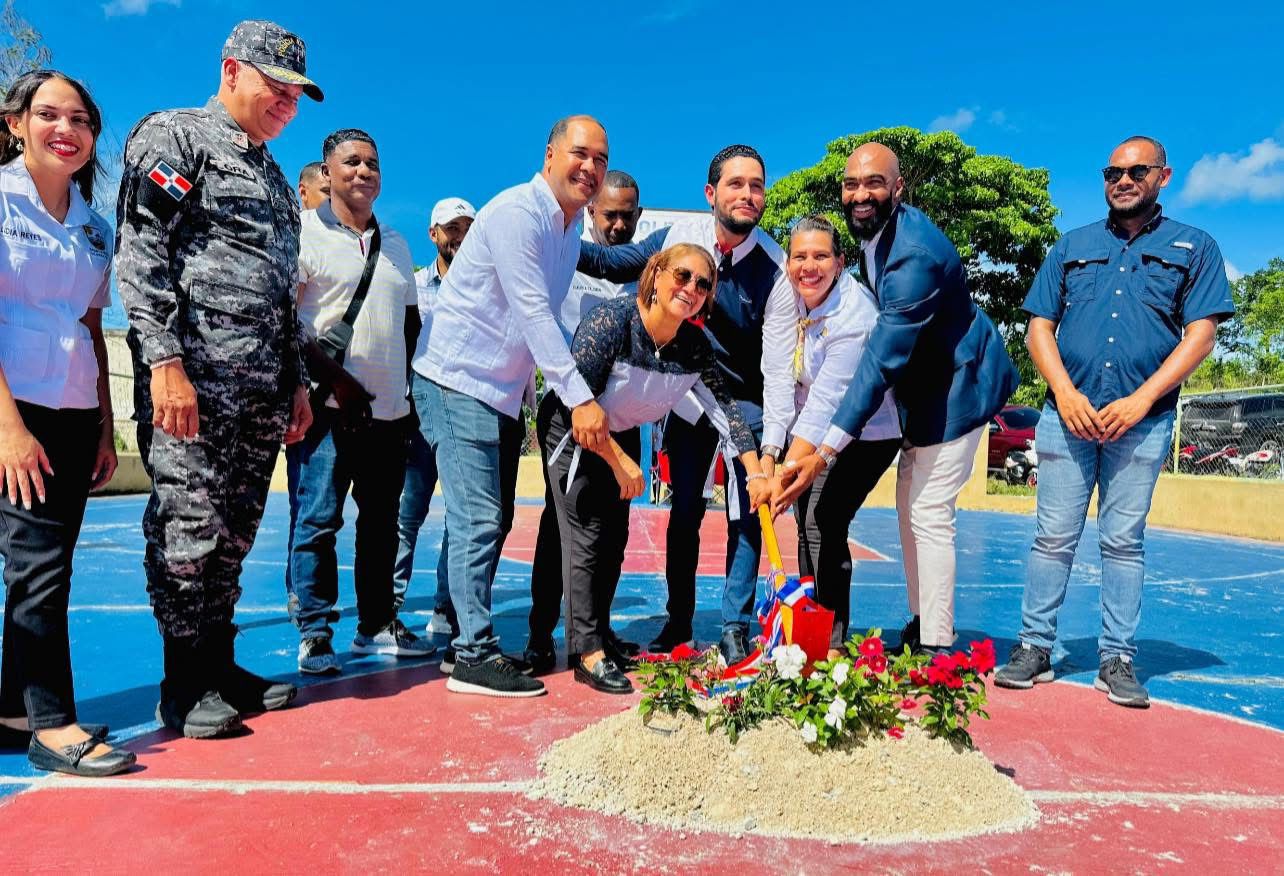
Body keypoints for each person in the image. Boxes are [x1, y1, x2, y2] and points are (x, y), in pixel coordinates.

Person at [115, 19, 320, 739]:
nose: (288, 104)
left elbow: (280, 289)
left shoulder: (274, 179)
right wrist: (164, 363)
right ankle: (184, 682)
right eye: (278, 87)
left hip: (261, 390)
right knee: (188, 529)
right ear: (232, 70)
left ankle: (220, 665)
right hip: (193, 384)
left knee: (234, 534)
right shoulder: (177, 139)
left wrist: (295, 383)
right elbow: (142, 253)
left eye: (298, 95)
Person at [995, 136, 1233, 708]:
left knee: (1123, 542)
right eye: (1111, 172)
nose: (1122, 180)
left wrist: (1140, 399)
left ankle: (1117, 657)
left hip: (1143, 422)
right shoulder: (1072, 246)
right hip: (1065, 417)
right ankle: (1035, 647)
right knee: (1052, 538)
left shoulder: (1193, 247)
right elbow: (1039, 327)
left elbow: (1201, 333)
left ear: (1163, 176)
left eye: (1135, 171)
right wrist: (1065, 393)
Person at [776, 143, 1018, 655]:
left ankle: (935, 643)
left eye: (875, 184)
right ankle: (921, 619)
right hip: (922, 392)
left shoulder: (913, 257)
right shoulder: (875, 237)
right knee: (911, 506)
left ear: (899, 189)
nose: (861, 195)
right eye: (852, 184)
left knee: (928, 510)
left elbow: (878, 362)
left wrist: (823, 452)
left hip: (960, 388)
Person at [416, 115, 611, 697]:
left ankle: (457, 638)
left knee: (488, 521)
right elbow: (533, 314)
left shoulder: (570, 230)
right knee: (480, 519)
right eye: (580, 153)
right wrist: (579, 398)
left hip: (499, 394)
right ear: (550, 154)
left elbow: (544, 322)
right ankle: (473, 654)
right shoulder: (515, 214)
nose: (591, 167)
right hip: (457, 380)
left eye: (601, 158)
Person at [576, 145, 792, 664]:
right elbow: (609, 262)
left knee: (746, 513)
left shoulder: (777, 269)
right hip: (686, 398)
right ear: (711, 193)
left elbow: (780, 370)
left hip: (743, 401)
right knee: (685, 514)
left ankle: (736, 625)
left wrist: (769, 446)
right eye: (736, 183)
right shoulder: (680, 242)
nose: (747, 194)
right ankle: (679, 621)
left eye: (756, 185)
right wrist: (547, 231)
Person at [548, 244, 768, 693]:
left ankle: (601, 633)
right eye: (682, 276)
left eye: (703, 284)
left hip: (619, 428)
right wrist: (621, 461)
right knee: (587, 535)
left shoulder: (694, 348)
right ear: (656, 273)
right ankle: (586, 652)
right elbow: (581, 409)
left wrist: (756, 471)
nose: (691, 288)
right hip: (574, 425)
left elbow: (727, 414)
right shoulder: (611, 322)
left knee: (614, 541)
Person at [0, 70, 135, 776]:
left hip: (76, 411)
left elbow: (89, 320)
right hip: (13, 413)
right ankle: (52, 726)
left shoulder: (92, 224)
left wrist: (106, 424)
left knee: (41, 570)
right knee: (38, 570)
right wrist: (9, 430)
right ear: (16, 122)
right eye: (49, 114)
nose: (67, 130)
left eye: (81, 119)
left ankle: (12, 708)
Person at [288, 128, 435, 674]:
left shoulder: (396, 244)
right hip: (328, 414)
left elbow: (411, 321)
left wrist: (401, 390)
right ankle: (316, 633)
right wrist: (338, 384)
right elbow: (286, 325)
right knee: (318, 521)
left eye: (372, 163)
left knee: (380, 525)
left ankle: (373, 627)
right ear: (326, 174)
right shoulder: (302, 235)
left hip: (388, 417)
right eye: (351, 162)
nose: (363, 171)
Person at [763, 216, 901, 656]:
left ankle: (832, 640)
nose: (809, 266)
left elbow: (826, 400)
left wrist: (785, 470)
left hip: (869, 430)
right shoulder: (791, 296)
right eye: (799, 256)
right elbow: (780, 375)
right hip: (813, 428)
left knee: (823, 516)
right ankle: (809, 622)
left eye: (821, 256)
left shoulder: (854, 315)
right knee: (807, 521)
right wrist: (772, 454)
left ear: (840, 262)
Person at [525, 169, 644, 674]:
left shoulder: (648, 274)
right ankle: (540, 635)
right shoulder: (566, 263)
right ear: (592, 212)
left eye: (626, 216)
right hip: (571, 414)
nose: (617, 224)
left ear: (638, 217)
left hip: (626, 419)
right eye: (608, 214)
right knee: (564, 531)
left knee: (614, 534)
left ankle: (598, 629)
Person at [395, 196, 475, 643]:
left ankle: (446, 608)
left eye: (467, 228)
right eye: (451, 228)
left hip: (464, 418)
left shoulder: (485, 290)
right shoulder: (414, 288)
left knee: (457, 521)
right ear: (434, 234)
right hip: (418, 421)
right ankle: (388, 609)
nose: (459, 237)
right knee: (407, 515)